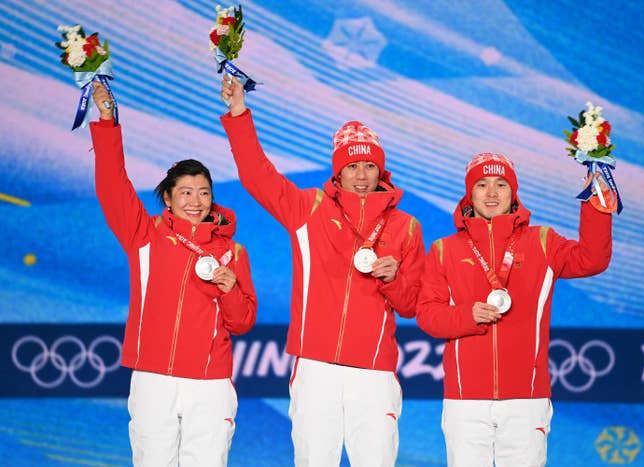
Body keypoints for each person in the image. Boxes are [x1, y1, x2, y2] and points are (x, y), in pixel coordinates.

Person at [219, 77, 426, 466]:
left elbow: (413, 304)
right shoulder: (309, 210)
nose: (362, 175)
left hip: (374, 371)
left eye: (369, 166)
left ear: (381, 171)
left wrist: (393, 279)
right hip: (315, 367)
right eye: (352, 166)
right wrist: (238, 114)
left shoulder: (406, 227)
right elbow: (257, 176)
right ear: (338, 171)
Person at [89, 82, 257, 467]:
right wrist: (107, 122)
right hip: (154, 376)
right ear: (167, 197)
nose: (195, 202)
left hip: (210, 382)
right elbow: (112, 185)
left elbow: (243, 320)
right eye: (185, 193)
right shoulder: (144, 235)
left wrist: (230, 290)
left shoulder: (232, 251)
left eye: (203, 193)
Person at [416, 152, 613, 466]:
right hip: (466, 401)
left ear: (513, 193)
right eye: (481, 185)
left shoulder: (543, 242)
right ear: (470, 193)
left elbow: (593, 259)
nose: (492, 193)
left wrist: (595, 203)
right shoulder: (445, 250)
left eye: (500, 184)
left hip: (527, 398)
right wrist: (468, 316)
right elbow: (427, 315)